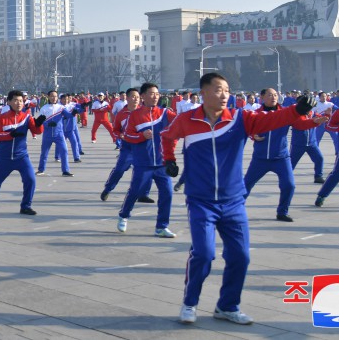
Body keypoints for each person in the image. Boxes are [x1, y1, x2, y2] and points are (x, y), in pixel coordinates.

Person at [162, 72, 318, 325]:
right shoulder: (186, 119)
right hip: (201, 200)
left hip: (233, 200)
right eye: (217, 90)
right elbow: (167, 136)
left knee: (240, 256)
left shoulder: (239, 119)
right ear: (203, 93)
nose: (224, 95)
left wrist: (296, 111)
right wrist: (168, 159)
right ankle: (190, 303)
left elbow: (273, 119)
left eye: (226, 90)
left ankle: (227, 306)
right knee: (203, 253)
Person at [243, 89, 327, 222]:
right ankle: (234, 210)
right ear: (262, 97)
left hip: (281, 158)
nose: (273, 97)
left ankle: (282, 212)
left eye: (275, 95)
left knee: (289, 185)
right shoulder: (254, 114)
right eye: (270, 95)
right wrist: (253, 135)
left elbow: (300, 124)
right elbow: (246, 128)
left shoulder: (285, 113)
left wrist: (315, 122)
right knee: (246, 185)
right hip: (260, 158)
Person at [117, 84, 178, 236]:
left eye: (157, 94)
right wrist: (141, 136)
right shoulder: (135, 115)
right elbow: (128, 136)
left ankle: (161, 227)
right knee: (135, 191)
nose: (155, 96)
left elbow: (180, 125)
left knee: (167, 193)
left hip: (162, 163)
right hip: (143, 163)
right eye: (151, 93)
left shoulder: (165, 113)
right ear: (143, 96)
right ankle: (124, 215)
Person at [0, 90, 43, 215]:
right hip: (4, 157)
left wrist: (39, 124)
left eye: (21, 100)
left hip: (22, 156)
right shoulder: (1, 117)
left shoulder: (26, 117)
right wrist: (10, 135)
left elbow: (36, 131)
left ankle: (26, 206)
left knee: (30, 179)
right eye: (15, 100)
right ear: (9, 101)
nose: (18, 103)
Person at [100, 88, 141, 201]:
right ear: (127, 98)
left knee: (142, 172)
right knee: (119, 170)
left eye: (137, 97)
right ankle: (108, 188)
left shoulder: (144, 111)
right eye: (133, 96)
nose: (135, 99)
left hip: (142, 147)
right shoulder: (121, 114)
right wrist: (120, 135)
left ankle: (137, 193)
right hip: (128, 147)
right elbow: (116, 129)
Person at [36, 91, 75, 177]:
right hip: (47, 135)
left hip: (59, 135)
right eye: (52, 96)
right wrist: (47, 124)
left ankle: (65, 171)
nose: (54, 98)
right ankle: (41, 169)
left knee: (64, 151)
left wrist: (74, 113)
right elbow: (40, 121)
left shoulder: (61, 107)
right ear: (48, 97)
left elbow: (68, 115)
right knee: (44, 153)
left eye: (56, 96)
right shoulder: (44, 108)